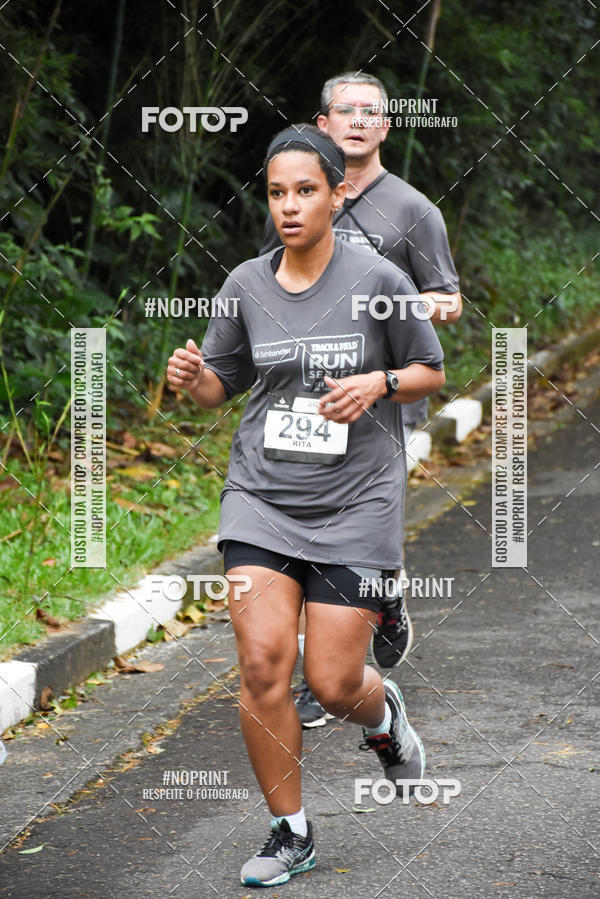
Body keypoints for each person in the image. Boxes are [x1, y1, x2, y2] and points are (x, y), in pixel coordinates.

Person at [168, 124, 445, 887]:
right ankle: (290, 831)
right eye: (276, 193)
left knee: (332, 682)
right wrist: (191, 377)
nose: (289, 206)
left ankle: (383, 715)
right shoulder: (245, 285)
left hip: (357, 501)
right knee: (262, 662)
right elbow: (218, 387)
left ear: (337, 194)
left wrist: (379, 383)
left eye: (305, 190)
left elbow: (428, 368)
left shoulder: (380, 280)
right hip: (261, 496)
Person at [261, 73, 461, 726]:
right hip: (306, 398)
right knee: (303, 526)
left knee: (352, 526)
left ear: (386, 126)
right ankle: (330, 655)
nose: (356, 120)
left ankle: (373, 604)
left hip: (384, 399)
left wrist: (400, 306)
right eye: (343, 110)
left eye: (369, 111)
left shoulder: (413, 210)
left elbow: (450, 299)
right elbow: (270, 283)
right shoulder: (296, 194)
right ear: (322, 124)